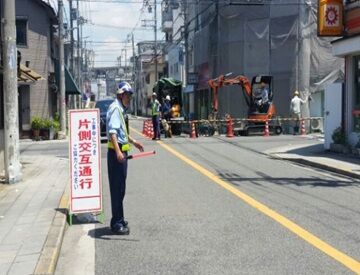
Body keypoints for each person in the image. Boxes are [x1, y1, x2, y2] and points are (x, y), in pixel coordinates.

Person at [106, 81, 144, 235]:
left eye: (130, 96)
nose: (129, 98)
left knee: (120, 188)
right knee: (117, 189)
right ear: (121, 95)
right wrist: (118, 152)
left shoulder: (119, 109)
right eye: (128, 95)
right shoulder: (116, 109)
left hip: (120, 151)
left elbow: (121, 131)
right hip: (117, 154)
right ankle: (117, 223)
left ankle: (119, 218)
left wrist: (133, 142)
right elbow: (113, 133)